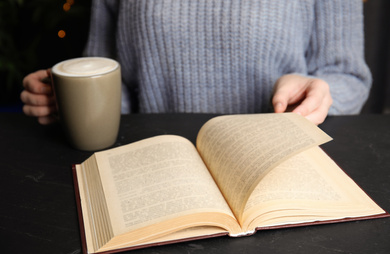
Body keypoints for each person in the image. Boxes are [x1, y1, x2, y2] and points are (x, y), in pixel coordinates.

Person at [21, 0, 371, 126]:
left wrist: (319, 94)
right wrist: (71, 103)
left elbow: (348, 76)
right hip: (151, 162)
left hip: (278, 168)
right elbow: (116, 83)